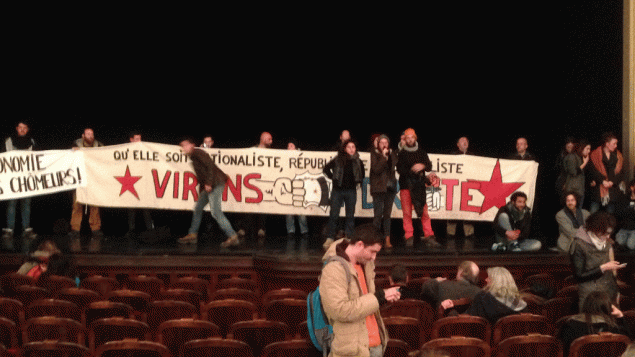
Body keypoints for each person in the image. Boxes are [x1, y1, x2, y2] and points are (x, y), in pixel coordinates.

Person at [319, 223, 400, 357]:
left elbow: (366, 304)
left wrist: (384, 299)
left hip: (375, 346)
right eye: (372, 251)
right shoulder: (334, 269)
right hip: (351, 351)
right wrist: (379, 297)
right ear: (360, 245)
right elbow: (339, 310)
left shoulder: (366, 265)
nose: (374, 257)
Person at [177, 137, 240, 248]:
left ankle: (232, 236)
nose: (183, 147)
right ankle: (192, 234)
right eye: (182, 146)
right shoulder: (193, 156)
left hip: (215, 183)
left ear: (192, 145)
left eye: (185, 145)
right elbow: (203, 174)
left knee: (215, 212)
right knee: (198, 208)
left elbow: (210, 166)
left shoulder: (198, 153)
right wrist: (204, 187)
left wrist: (209, 183)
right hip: (211, 184)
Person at [569, 210, 625, 310]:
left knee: (611, 323)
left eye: (609, 233)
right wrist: (603, 268)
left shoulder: (607, 242)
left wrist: (616, 291)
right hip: (590, 295)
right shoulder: (579, 244)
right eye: (605, 233)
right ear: (595, 229)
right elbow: (579, 276)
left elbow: (612, 274)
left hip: (609, 291)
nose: (608, 236)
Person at [396, 128, 441, 249]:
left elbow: (429, 165)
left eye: (412, 137)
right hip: (406, 186)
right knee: (407, 213)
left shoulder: (421, 152)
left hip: (419, 187)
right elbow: (400, 170)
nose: (410, 139)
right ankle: (409, 236)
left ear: (415, 138)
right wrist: (413, 170)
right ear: (405, 139)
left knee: (424, 212)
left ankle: (429, 235)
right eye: (408, 138)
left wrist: (423, 165)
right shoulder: (401, 153)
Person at [558, 290, 632, 357]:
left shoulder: (570, 325)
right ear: (608, 307)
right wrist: (620, 316)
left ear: (586, 305)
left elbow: (562, 350)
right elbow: (629, 341)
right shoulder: (615, 329)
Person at [322, 139, 365, 251]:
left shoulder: (358, 161)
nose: (351, 149)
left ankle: (348, 237)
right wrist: (334, 179)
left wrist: (356, 182)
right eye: (349, 147)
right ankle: (330, 237)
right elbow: (326, 169)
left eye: (353, 147)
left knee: (350, 215)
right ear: (345, 148)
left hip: (351, 191)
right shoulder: (338, 159)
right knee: (334, 214)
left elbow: (362, 175)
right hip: (338, 190)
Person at [2, 121, 38, 252]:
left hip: (27, 179)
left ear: (27, 129)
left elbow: (36, 159)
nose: (22, 130)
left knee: (26, 203)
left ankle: (26, 229)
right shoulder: (9, 141)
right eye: (20, 128)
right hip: (12, 179)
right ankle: (9, 229)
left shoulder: (32, 142)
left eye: (25, 128)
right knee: (12, 204)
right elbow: (6, 157)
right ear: (17, 128)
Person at [69, 128, 104, 252]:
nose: (90, 135)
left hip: (93, 178)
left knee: (94, 204)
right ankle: (75, 229)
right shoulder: (76, 144)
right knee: (77, 204)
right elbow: (69, 158)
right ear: (83, 135)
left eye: (92, 134)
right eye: (88, 134)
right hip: (79, 178)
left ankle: (95, 228)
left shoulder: (99, 145)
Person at [446, 136, 476, 251]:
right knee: (452, 206)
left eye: (466, 141)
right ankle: (450, 233)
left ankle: (469, 233)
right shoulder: (452, 155)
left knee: (467, 207)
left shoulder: (473, 156)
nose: (465, 143)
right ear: (457, 144)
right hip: (455, 185)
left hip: (467, 185)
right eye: (462, 141)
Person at [125, 131, 154, 241]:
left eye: (140, 139)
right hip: (130, 181)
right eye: (136, 139)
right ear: (131, 140)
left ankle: (150, 230)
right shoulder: (125, 150)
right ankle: (131, 230)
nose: (139, 141)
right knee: (131, 208)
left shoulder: (145, 149)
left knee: (146, 207)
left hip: (143, 182)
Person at [369, 134, 398, 249]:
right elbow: (376, 169)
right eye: (382, 142)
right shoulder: (374, 154)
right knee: (377, 215)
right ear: (378, 144)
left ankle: (387, 239)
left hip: (390, 189)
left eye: (386, 142)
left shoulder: (393, 153)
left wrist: (388, 156)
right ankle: (375, 239)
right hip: (378, 189)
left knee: (387, 215)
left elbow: (393, 166)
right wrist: (383, 157)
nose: (384, 144)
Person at [588, 132, 626, 214]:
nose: (616, 145)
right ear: (607, 144)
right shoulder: (595, 154)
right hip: (598, 189)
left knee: (610, 214)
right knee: (593, 213)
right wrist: (603, 181)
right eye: (614, 143)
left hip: (612, 189)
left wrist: (612, 182)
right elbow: (593, 171)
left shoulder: (618, 155)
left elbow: (621, 173)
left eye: (616, 143)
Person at [284, 139, 309, 258]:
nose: (290, 147)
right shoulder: (283, 158)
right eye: (288, 146)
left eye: (292, 145)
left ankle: (304, 231)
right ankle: (291, 231)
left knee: (301, 211)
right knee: (289, 211)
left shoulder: (301, 156)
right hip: (287, 185)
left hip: (299, 185)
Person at [562, 139, 592, 207]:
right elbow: (573, 172)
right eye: (587, 149)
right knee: (572, 213)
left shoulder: (580, 157)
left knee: (578, 213)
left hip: (579, 190)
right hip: (573, 190)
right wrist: (584, 163)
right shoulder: (571, 157)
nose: (589, 151)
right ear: (582, 148)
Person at [615, 179, 635, 250]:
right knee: (619, 243)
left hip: (634, 230)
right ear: (632, 187)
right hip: (624, 228)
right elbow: (619, 213)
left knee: (631, 245)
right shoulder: (624, 198)